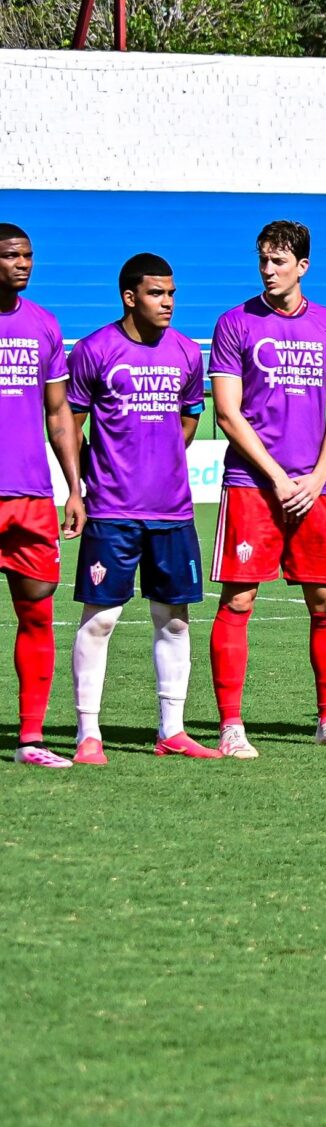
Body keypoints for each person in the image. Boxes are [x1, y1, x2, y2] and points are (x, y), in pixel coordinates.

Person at [207, 221, 326, 756]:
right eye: (264, 260)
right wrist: (277, 477)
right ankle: (231, 727)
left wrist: (318, 478)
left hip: (312, 488)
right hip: (252, 484)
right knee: (240, 599)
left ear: (303, 266)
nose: (268, 270)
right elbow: (227, 413)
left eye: (279, 261)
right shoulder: (235, 323)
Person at [63, 254, 218, 761]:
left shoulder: (186, 353)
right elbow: (70, 424)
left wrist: (159, 461)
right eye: (157, 293)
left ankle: (171, 732)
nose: (167, 302)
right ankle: (89, 733)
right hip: (110, 509)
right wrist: (79, 485)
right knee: (101, 618)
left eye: (172, 293)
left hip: (172, 510)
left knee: (173, 618)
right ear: (130, 297)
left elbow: (189, 420)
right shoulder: (94, 350)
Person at [0, 224, 82, 766]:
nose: (22, 264)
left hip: (30, 495)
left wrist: (74, 487)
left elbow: (58, 413)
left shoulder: (44, 325)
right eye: (10, 256)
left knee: (36, 612)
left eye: (27, 255)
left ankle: (30, 740)